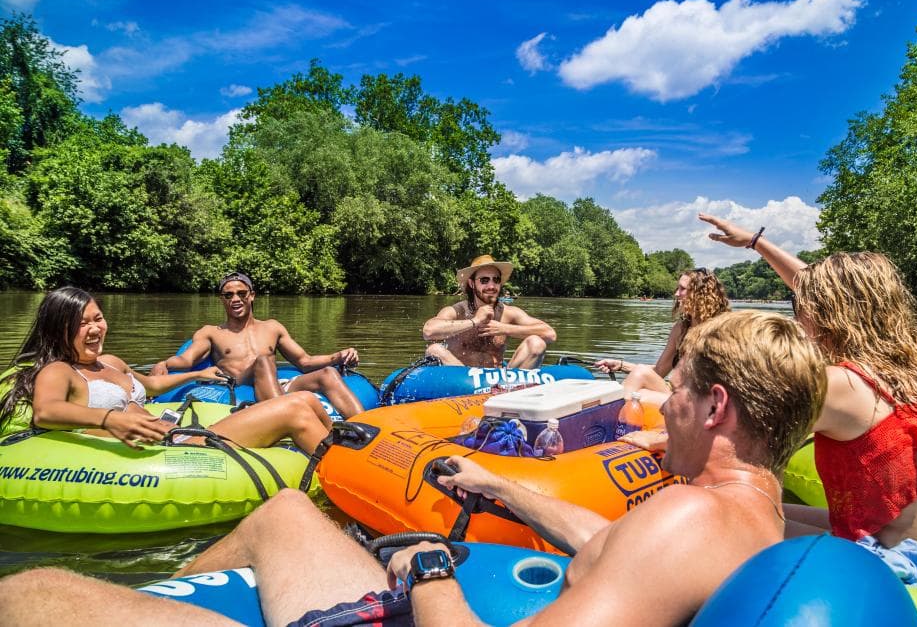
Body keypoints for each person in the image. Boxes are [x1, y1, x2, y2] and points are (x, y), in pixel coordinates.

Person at [0, 310, 828, 626]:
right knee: (288, 514)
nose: (665, 404)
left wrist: (426, 566)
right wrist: (504, 488)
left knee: (30, 591)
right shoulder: (753, 515)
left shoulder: (688, 520)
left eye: (676, 390)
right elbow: (621, 550)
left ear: (717, 407)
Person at [699, 214, 917, 589]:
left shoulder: (843, 385)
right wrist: (756, 242)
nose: (800, 314)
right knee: (771, 510)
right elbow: (832, 290)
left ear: (825, 314)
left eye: (801, 305)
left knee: (724, 515)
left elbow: (728, 434)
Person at [0, 286, 333, 455]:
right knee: (294, 408)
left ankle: (348, 462)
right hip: (170, 450)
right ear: (59, 328)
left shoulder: (112, 362)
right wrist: (110, 419)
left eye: (97, 318)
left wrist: (194, 375)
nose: (94, 329)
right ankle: (351, 482)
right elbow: (47, 411)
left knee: (306, 401)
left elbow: (153, 385)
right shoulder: (60, 370)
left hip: (180, 435)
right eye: (81, 322)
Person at [151, 272, 363, 418]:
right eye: (228, 295)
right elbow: (186, 360)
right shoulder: (211, 332)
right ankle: (286, 419)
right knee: (262, 361)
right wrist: (165, 363)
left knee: (327, 373)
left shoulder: (272, 327)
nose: (235, 299)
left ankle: (367, 426)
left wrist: (337, 356)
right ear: (222, 299)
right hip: (239, 385)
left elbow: (304, 361)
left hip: (274, 385)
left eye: (241, 293)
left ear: (251, 295)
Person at [595, 268, 729, 405]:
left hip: (701, 402)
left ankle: (612, 421)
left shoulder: (719, 331)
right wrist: (621, 365)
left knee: (637, 393)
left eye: (682, 289)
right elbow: (659, 371)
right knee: (637, 394)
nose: (676, 294)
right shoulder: (681, 329)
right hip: (676, 392)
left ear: (701, 294)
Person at [422, 255, 556, 369]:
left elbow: (550, 334)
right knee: (434, 350)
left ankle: (512, 390)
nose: (491, 286)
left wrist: (504, 328)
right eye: (484, 280)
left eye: (496, 280)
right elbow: (428, 331)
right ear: (472, 283)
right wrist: (475, 321)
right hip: (462, 379)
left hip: (500, 381)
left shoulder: (509, 313)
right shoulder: (457, 311)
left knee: (536, 343)